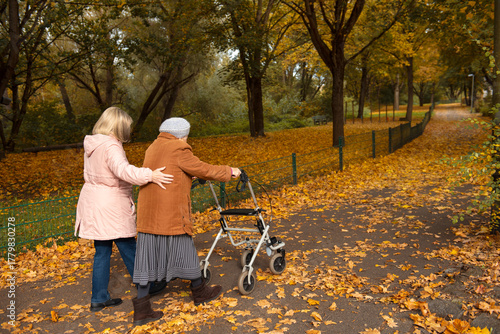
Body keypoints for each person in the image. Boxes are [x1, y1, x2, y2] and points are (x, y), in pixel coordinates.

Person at [131, 117, 241, 326]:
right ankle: (200, 292)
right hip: (170, 214)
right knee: (185, 251)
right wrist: (230, 171)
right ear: (182, 134)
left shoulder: (152, 147)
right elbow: (204, 169)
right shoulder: (179, 148)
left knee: (147, 257)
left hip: (149, 214)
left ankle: (142, 309)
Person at [75, 107, 174, 312]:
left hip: (94, 202)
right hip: (110, 205)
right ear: (118, 126)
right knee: (129, 247)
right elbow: (123, 171)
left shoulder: (93, 144)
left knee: (102, 252)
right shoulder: (111, 146)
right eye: (126, 126)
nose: (128, 130)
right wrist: (150, 175)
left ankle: (99, 298)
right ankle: (147, 286)